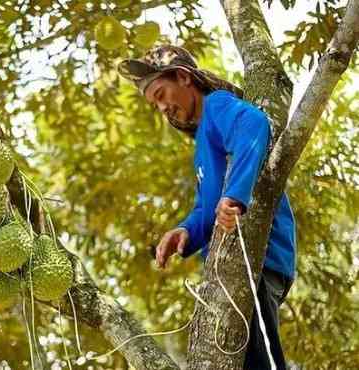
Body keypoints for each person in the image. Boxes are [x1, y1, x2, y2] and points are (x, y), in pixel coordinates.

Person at [117, 45, 297, 370]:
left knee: (262, 360)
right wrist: (185, 231)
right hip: (233, 268)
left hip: (259, 261)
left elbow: (254, 124)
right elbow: (206, 209)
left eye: (161, 93)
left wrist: (235, 197)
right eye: (154, 103)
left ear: (184, 78)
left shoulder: (217, 106)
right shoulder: (202, 142)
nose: (161, 107)